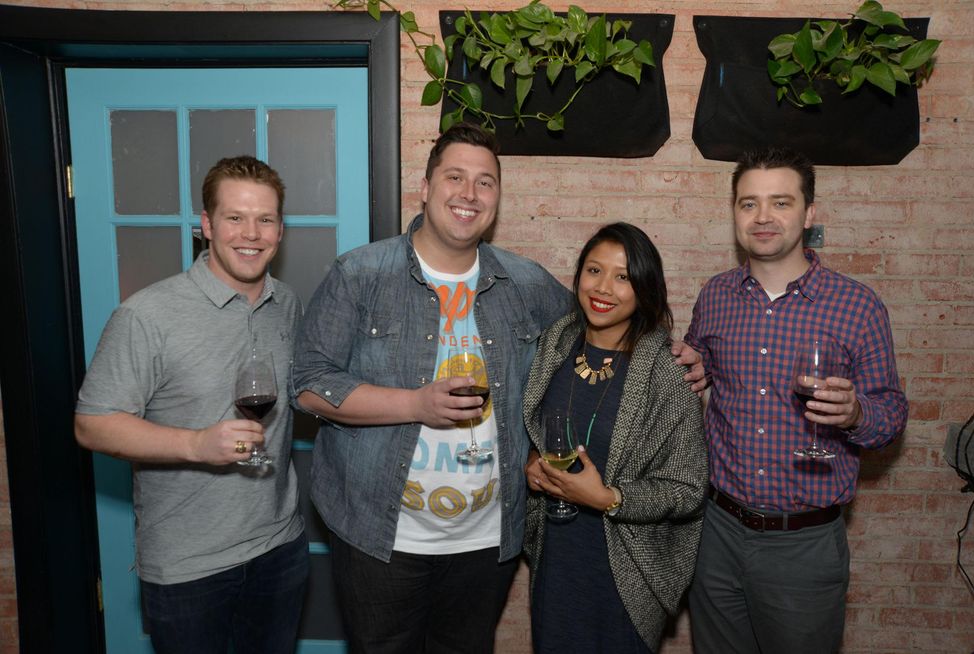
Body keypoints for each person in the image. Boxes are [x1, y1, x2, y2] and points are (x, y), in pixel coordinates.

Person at [289, 123, 574, 653]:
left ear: (497, 198)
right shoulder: (361, 274)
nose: (469, 194)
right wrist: (414, 404)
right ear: (425, 187)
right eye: (455, 177)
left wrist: (673, 352)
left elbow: (594, 338)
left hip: (488, 538)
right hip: (379, 533)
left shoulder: (527, 282)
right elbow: (307, 384)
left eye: (485, 182)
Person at [74, 156, 308, 654]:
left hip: (279, 549)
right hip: (188, 567)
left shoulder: (286, 303)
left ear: (280, 230)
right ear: (206, 226)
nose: (251, 233)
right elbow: (92, 425)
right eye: (234, 217)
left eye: (265, 219)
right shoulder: (147, 315)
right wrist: (197, 444)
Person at [685, 146, 909, 653]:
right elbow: (705, 369)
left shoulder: (858, 306)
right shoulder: (715, 296)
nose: (763, 217)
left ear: (809, 214)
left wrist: (856, 414)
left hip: (803, 545)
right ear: (735, 213)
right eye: (749, 204)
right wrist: (692, 368)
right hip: (716, 531)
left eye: (781, 203)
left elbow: (891, 416)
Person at [522, 222, 708, 653]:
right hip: (556, 560)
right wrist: (533, 462)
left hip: (624, 572)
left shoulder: (667, 373)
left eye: (623, 277)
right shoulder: (555, 344)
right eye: (594, 270)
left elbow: (687, 489)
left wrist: (610, 498)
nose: (604, 287)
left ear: (645, 288)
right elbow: (536, 427)